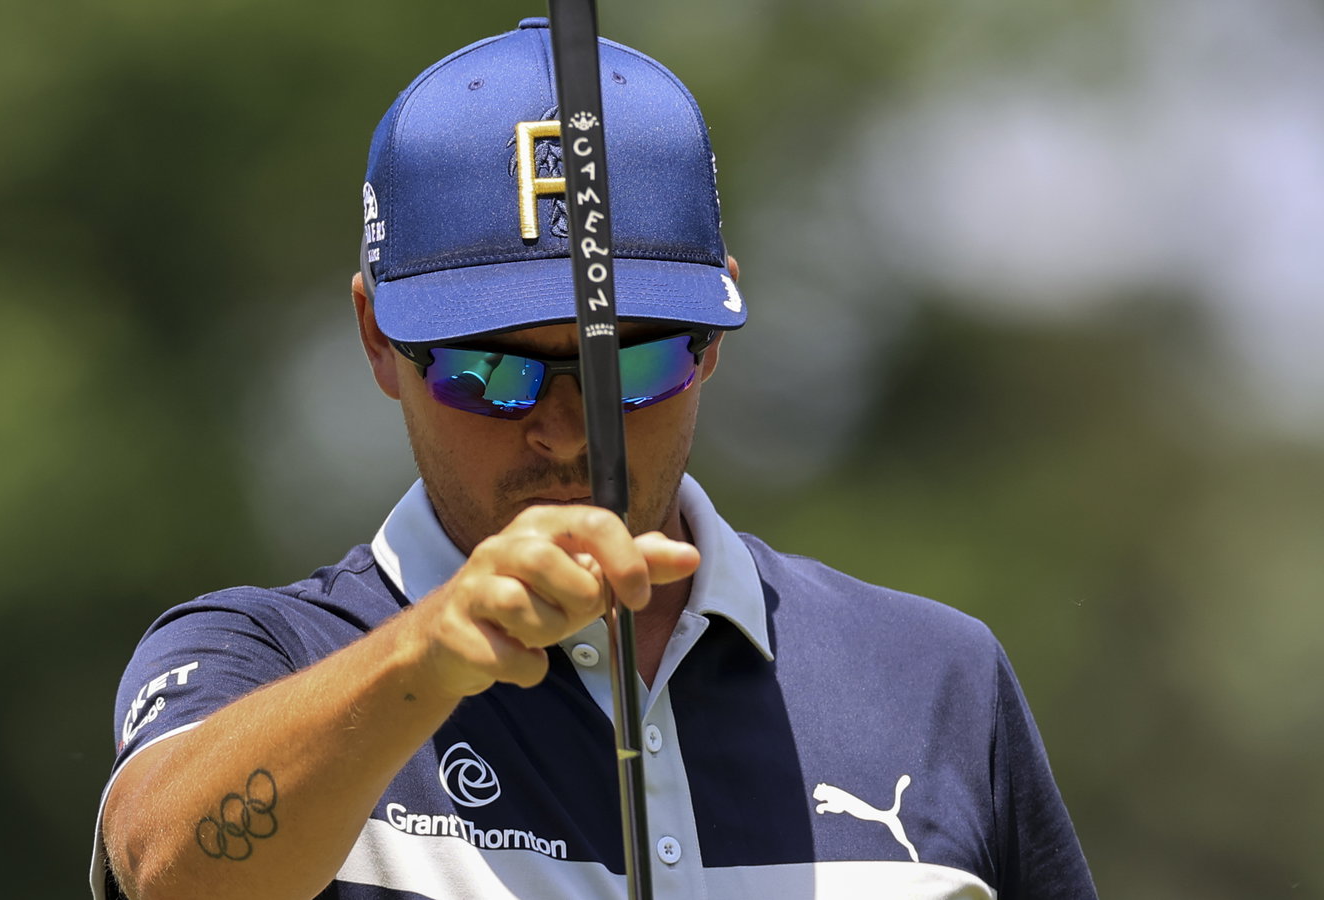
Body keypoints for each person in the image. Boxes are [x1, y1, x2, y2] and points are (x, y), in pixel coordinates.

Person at [90, 16, 1096, 900]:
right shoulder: (259, 658)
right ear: (374, 339)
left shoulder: (935, 679)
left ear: (712, 340)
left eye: (634, 364)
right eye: (489, 373)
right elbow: (171, 871)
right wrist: (425, 658)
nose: (566, 431)